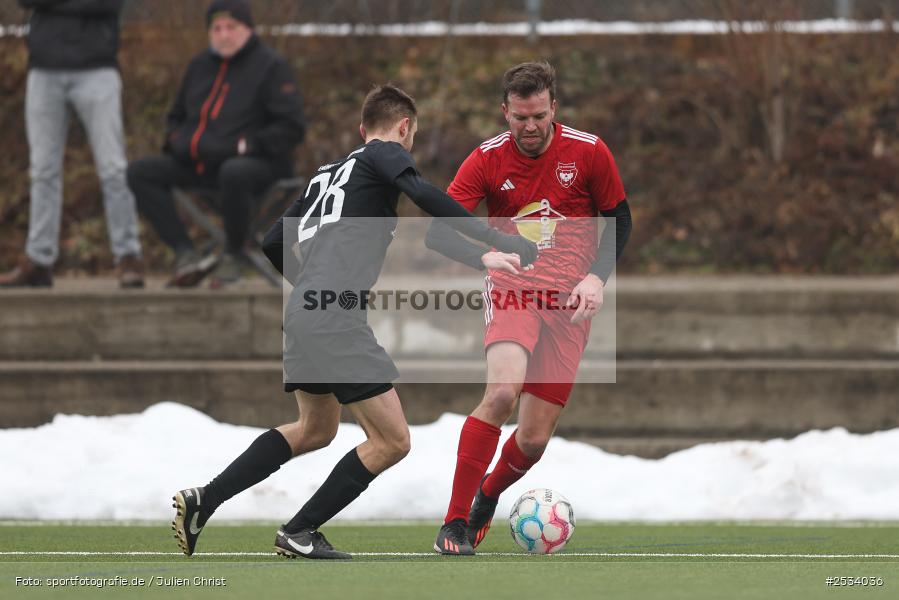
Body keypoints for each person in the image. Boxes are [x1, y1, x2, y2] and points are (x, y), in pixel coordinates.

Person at [171, 84, 537, 559]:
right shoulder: (384, 154)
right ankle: (299, 530)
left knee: (315, 429)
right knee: (393, 440)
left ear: (361, 128)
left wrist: (311, 288)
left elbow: (272, 242)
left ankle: (206, 499)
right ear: (404, 127)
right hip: (333, 316)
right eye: (409, 137)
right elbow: (423, 194)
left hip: (305, 310)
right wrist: (491, 238)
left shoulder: (328, 173)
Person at [426, 61, 633, 555]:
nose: (531, 126)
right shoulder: (486, 159)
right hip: (513, 290)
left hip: (569, 306)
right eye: (520, 117)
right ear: (505, 112)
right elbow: (437, 231)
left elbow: (620, 219)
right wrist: (484, 253)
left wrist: (595, 278)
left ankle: (486, 499)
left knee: (535, 439)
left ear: (553, 107)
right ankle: (454, 523)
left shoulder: (588, 151)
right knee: (501, 395)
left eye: (539, 115)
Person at [127, 0, 305, 288]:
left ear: (248, 29)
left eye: (231, 27)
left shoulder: (271, 66)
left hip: (260, 166)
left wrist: (248, 146)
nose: (223, 34)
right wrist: (177, 141)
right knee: (140, 172)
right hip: (199, 163)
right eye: (216, 28)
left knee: (234, 171)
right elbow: (176, 117)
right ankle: (185, 253)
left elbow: (292, 128)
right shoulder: (199, 66)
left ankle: (233, 253)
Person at [0, 0, 143, 289]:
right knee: (42, 171)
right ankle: (39, 260)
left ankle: (128, 255)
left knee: (113, 168)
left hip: (97, 69)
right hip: (44, 71)